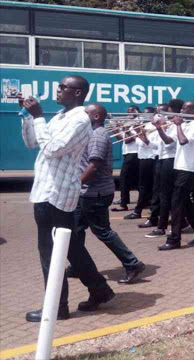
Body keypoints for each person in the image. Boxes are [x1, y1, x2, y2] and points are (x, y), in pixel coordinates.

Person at [20, 75, 114, 322]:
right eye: (59, 86)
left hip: (57, 192)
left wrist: (39, 116)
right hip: (47, 189)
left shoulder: (80, 120)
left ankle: (57, 307)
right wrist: (28, 117)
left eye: (64, 87)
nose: (58, 90)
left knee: (49, 251)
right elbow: (33, 143)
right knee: (70, 246)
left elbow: (52, 150)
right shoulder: (61, 116)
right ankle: (100, 289)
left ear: (78, 93)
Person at [69, 104, 146, 284]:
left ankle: (132, 263)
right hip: (86, 192)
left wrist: (76, 183)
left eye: (86, 113)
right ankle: (78, 265)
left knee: (102, 231)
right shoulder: (91, 133)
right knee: (76, 230)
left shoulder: (98, 135)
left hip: (95, 193)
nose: (82, 116)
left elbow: (94, 165)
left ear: (96, 117)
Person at [158, 100, 194, 250]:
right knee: (185, 205)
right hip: (179, 166)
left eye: (185, 108)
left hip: (189, 168)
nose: (181, 110)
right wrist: (160, 129)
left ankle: (174, 239)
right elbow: (169, 141)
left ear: (193, 110)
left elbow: (182, 141)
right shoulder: (183, 124)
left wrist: (178, 125)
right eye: (181, 108)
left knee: (176, 203)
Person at [144, 100, 182, 238]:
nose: (159, 116)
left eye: (162, 112)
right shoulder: (168, 125)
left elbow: (168, 142)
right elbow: (159, 146)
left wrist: (160, 128)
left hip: (170, 160)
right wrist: (145, 139)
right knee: (161, 193)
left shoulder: (174, 126)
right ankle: (181, 222)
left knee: (166, 195)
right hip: (161, 159)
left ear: (170, 110)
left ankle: (162, 227)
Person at [124, 107, 157, 220]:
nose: (143, 116)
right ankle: (144, 209)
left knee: (146, 186)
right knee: (143, 185)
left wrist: (140, 134)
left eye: (147, 114)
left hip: (150, 158)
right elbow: (138, 142)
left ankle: (139, 211)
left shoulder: (153, 127)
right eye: (143, 114)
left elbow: (147, 144)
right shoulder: (143, 126)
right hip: (142, 158)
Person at [112, 105, 140, 212]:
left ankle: (124, 203)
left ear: (137, 111)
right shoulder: (130, 124)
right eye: (127, 112)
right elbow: (121, 139)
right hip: (128, 153)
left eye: (131, 112)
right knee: (135, 180)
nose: (128, 114)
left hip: (134, 153)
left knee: (124, 178)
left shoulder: (137, 123)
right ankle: (127, 200)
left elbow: (128, 140)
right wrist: (115, 129)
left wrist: (125, 128)